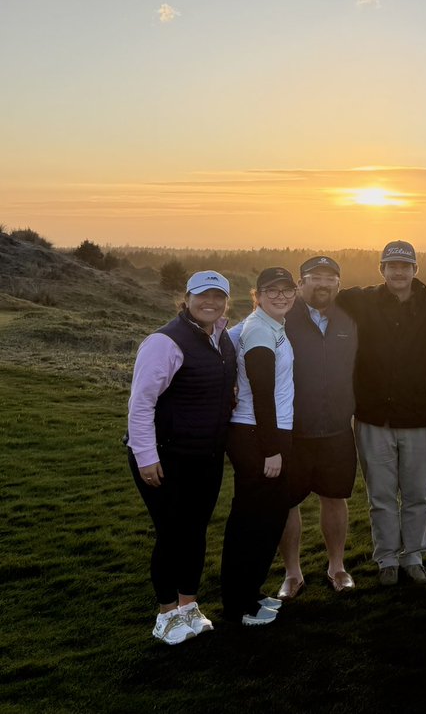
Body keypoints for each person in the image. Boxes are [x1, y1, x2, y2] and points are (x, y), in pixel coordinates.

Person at [127, 270, 237, 644]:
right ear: (186, 298)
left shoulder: (221, 339)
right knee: (172, 533)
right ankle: (166, 615)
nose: (211, 302)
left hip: (204, 455)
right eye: (202, 295)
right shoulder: (165, 342)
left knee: (194, 531)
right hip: (164, 456)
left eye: (218, 296)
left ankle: (189, 606)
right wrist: (145, 456)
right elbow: (141, 403)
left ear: (226, 301)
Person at [336, 241, 426, 587]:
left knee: (417, 494)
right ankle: (386, 560)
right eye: (391, 266)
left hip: (417, 417)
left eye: (405, 266)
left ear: (415, 269)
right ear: (381, 270)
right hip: (372, 417)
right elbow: (317, 297)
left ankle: (413, 556)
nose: (398, 272)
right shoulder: (361, 300)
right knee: (380, 496)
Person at [275, 255, 358, 600]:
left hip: (338, 428)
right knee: (287, 503)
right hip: (293, 431)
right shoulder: (280, 318)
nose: (322, 284)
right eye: (314, 278)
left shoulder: (350, 318)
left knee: (335, 498)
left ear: (338, 284)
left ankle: (336, 567)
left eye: (330, 279)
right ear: (300, 283)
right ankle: (292, 573)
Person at [221, 267, 297, 627]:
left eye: (287, 289)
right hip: (257, 434)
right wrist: (271, 449)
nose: (281, 296)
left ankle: (248, 592)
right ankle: (239, 605)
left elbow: (224, 342)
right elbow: (263, 395)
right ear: (258, 294)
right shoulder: (258, 330)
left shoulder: (265, 325)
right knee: (253, 521)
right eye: (272, 290)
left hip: (264, 431)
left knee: (267, 516)